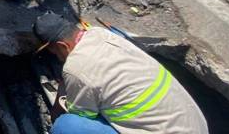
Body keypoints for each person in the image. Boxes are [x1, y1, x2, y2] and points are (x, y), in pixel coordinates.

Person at [33, 12, 208, 134]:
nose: (56, 57)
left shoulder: (77, 68)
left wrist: (61, 98)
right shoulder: (100, 33)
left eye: (55, 52)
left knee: (66, 126)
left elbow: (78, 114)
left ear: (62, 46)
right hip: (194, 125)